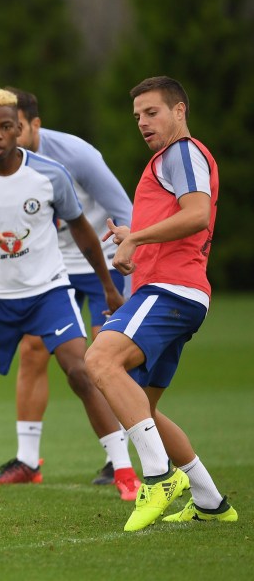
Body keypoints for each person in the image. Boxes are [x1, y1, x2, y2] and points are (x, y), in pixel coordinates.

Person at [0, 88, 138, 500]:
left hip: (48, 292)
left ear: (19, 129)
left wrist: (107, 286)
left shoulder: (50, 174)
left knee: (83, 372)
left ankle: (124, 472)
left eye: (5, 127)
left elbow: (82, 229)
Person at [85, 76, 237, 531]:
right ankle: (211, 501)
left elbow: (196, 214)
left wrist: (136, 243)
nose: (143, 123)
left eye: (151, 112)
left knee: (100, 361)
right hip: (174, 293)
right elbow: (181, 217)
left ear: (179, 111)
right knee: (143, 408)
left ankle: (157, 477)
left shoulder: (181, 153)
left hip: (171, 291)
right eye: (137, 116)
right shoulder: (168, 160)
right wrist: (136, 236)